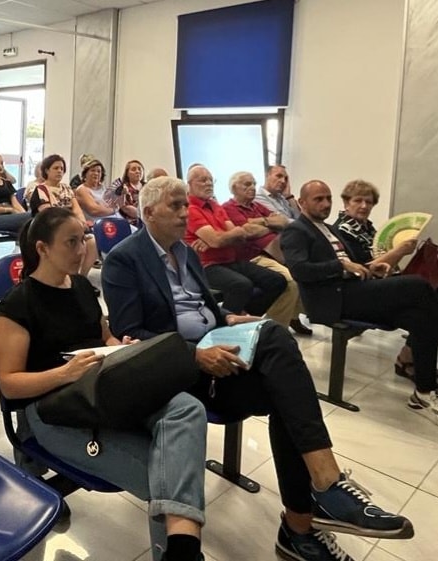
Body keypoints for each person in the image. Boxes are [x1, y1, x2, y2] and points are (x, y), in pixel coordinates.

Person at [102, 177, 414, 561]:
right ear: (149, 212)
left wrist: (231, 319)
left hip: (216, 349)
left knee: (282, 371)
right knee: (284, 376)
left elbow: (204, 307)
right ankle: (314, 505)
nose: (185, 213)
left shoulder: (186, 253)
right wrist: (195, 355)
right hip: (177, 371)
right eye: (176, 206)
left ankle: (307, 515)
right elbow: (130, 336)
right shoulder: (124, 259)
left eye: (186, 205)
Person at [0, 207, 207, 561]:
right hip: (52, 411)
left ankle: (180, 551)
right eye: (71, 242)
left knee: (187, 407)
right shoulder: (18, 305)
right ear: (42, 248)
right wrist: (65, 373)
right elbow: (10, 384)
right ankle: (181, 551)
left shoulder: (80, 286)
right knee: (166, 476)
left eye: (84, 240)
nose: (82, 250)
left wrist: (120, 348)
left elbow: (103, 337)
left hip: (102, 391)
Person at [281, 180, 438, 419]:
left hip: (353, 289)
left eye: (328, 198)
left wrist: (372, 268)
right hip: (333, 299)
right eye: (318, 199)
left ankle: (423, 392)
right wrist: (341, 266)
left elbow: (356, 264)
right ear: (302, 202)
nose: (326, 203)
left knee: (419, 316)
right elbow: (300, 270)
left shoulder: (328, 229)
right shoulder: (296, 231)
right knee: (419, 285)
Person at [335, 179, 420, 379]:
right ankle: (410, 363)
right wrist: (398, 251)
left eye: (369, 202)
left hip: (379, 285)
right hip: (361, 291)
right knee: (422, 297)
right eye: (358, 200)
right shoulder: (342, 230)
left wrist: (399, 254)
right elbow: (365, 269)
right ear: (346, 202)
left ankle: (410, 359)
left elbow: (384, 264)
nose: (364, 206)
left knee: (427, 305)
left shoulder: (368, 228)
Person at [185, 165, 287, 318]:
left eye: (211, 180)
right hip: (207, 265)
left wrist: (218, 238)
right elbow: (219, 240)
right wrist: (221, 237)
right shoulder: (190, 209)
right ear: (190, 184)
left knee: (277, 281)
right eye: (203, 180)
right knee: (241, 285)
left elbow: (240, 235)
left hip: (230, 260)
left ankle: (245, 317)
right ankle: (225, 323)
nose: (209, 183)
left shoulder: (215, 206)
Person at [222, 171, 311, 335]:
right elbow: (247, 231)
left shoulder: (256, 206)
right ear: (234, 188)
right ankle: (275, 330)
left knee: (301, 271)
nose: (252, 187)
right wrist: (270, 225)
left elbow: (283, 221)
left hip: (275, 253)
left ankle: (291, 317)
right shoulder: (228, 208)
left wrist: (259, 222)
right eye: (247, 184)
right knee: (290, 281)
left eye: (254, 184)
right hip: (253, 257)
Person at [29, 154, 99, 277]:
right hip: (51, 228)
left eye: (62, 168)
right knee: (69, 242)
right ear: (47, 170)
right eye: (56, 168)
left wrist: (81, 223)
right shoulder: (41, 190)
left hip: (70, 227)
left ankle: (80, 277)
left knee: (91, 242)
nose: (59, 171)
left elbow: (76, 208)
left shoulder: (66, 188)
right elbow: (48, 215)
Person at [74, 158, 118, 223]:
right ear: (85, 173)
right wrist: (113, 210)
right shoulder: (82, 189)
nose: (96, 173)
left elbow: (115, 203)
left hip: (111, 220)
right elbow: (94, 210)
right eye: (93, 170)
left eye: (99, 171)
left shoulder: (103, 187)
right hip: (96, 224)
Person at [104, 159, 145, 227]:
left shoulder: (148, 186)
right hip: (127, 223)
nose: (137, 171)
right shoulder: (120, 186)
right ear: (127, 173)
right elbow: (122, 207)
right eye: (133, 169)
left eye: (139, 169)